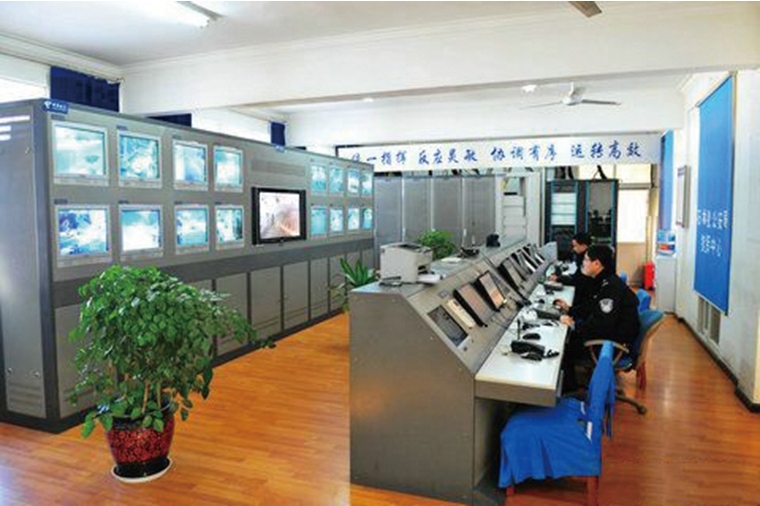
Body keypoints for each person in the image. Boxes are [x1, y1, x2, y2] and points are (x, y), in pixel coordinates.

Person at [555, 245, 640, 390]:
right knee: (567, 337)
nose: (583, 263)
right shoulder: (604, 280)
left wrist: (575, 325)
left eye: (586, 260)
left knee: (563, 346)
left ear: (597, 263)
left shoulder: (610, 287)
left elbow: (602, 325)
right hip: (612, 335)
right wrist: (570, 310)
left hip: (612, 344)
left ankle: (569, 389)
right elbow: (592, 306)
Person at [550, 232, 596, 306]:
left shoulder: (587, 261)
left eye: (575, 246)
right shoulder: (585, 256)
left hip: (585, 298)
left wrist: (558, 279)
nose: (573, 249)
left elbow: (578, 281)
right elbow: (578, 276)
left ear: (584, 246)